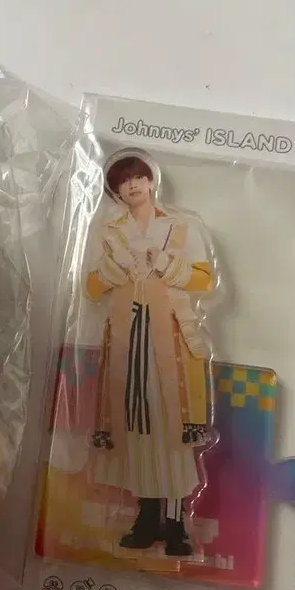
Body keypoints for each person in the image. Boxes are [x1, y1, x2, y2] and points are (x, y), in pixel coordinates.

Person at [85, 152, 214, 556]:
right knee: (136, 427)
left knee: (170, 426)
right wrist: (115, 268)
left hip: (170, 341)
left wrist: (164, 263)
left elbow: (204, 281)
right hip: (127, 342)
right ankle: (146, 518)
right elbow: (91, 288)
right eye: (123, 182)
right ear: (116, 192)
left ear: (151, 180)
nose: (133, 186)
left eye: (138, 177)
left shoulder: (181, 227)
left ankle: (175, 524)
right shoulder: (109, 232)